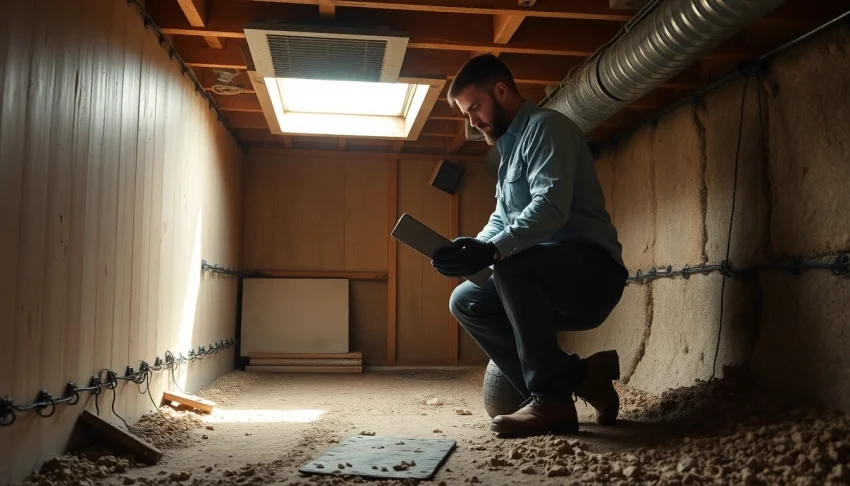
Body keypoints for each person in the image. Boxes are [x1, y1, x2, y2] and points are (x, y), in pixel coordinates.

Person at [431, 54, 629, 437]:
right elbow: (503, 220)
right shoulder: (508, 152)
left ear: (501, 90)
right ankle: (582, 377)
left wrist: (492, 252)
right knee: (466, 300)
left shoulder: (548, 128)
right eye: (466, 114)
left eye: (475, 108)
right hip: (542, 277)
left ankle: (553, 401)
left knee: (510, 263)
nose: (472, 122)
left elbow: (550, 208)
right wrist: (472, 248)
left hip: (593, 275)